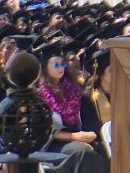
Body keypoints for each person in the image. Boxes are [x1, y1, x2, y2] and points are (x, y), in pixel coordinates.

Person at [36, 43, 106, 173]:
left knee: (102, 148)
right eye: (55, 64)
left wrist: (91, 133)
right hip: (53, 145)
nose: (60, 68)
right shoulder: (39, 96)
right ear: (45, 67)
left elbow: (88, 118)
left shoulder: (74, 90)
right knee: (82, 152)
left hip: (79, 137)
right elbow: (45, 129)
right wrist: (74, 137)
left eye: (62, 64)